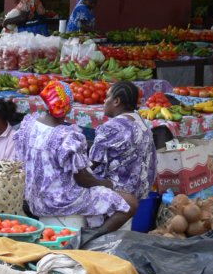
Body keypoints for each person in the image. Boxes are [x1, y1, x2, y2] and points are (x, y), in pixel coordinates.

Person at [14, 80, 138, 232]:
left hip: (35, 200)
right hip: (61, 201)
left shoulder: (28, 126)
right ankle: (94, 237)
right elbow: (83, 179)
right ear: (67, 108)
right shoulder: (65, 137)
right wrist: (108, 184)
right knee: (130, 203)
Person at [89, 82, 157, 200]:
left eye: (107, 97)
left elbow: (91, 164)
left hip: (117, 191)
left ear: (116, 101)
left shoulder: (111, 127)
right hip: (140, 190)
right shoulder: (141, 121)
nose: (104, 101)